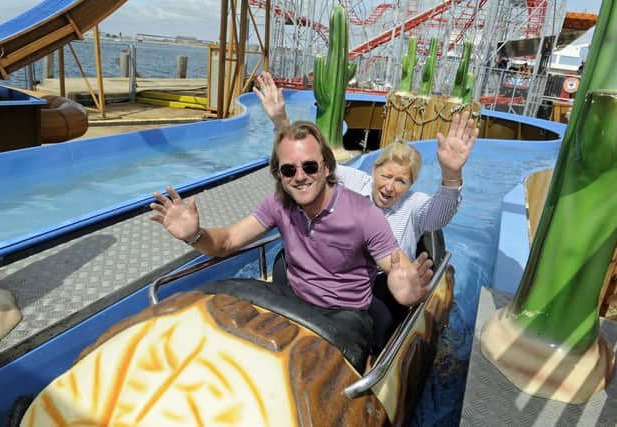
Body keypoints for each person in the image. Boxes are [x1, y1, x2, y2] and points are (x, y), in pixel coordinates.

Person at [149, 121, 434, 367]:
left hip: (343, 316)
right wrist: (194, 235)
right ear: (279, 175)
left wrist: (407, 290)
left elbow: (396, 267)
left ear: (325, 167)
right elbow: (228, 241)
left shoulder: (364, 214)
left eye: (309, 166)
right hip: (290, 301)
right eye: (289, 170)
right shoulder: (278, 204)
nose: (300, 176)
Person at [253, 71, 478, 259]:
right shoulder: (355, 183)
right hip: (340, 272)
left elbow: (439, 217)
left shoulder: (413, 205)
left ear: (410, 184)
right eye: (386, 176)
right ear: (374, 170)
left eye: (401, 181)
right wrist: (281, 122)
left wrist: (451, 173)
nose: (390, 187)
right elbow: (312, 166)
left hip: (386, 284)